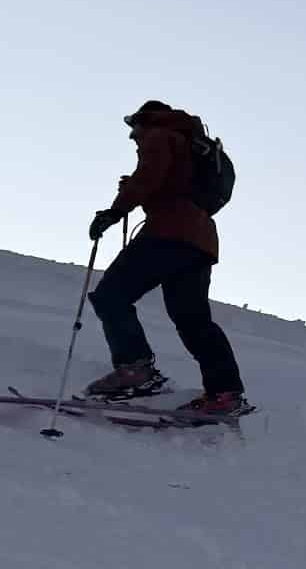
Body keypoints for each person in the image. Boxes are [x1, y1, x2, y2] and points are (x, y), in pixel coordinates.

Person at [82, 102, 250, 419]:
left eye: (133, 130)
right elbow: (164, 181)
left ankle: (135, 370)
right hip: (200, 240)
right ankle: (225, 391)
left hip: (168, 232)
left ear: (143, 121)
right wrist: (138, 192)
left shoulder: (159, 133)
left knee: (111, 295)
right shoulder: (191, 141)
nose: (133, 137)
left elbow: (149, 175)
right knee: (193, 319)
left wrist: (115, 211)